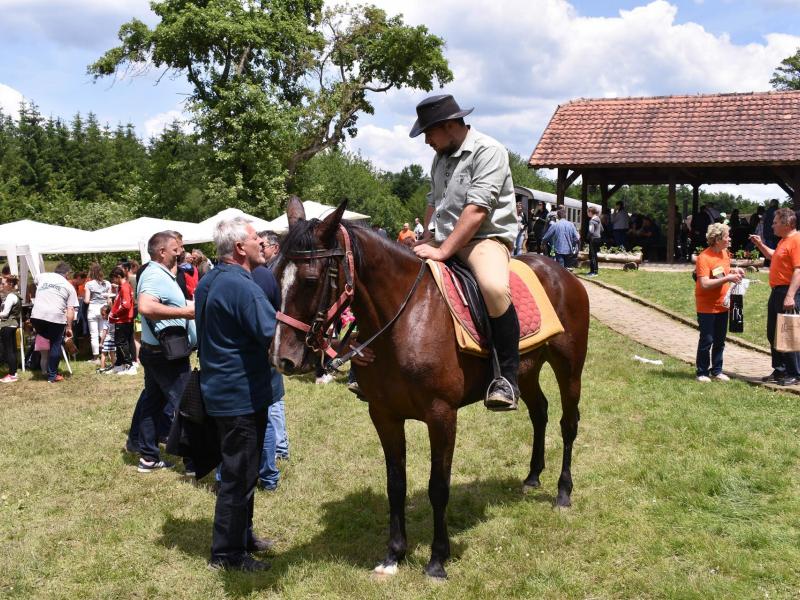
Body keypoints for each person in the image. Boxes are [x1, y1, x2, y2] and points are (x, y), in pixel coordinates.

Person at [409, 93, 520, 410]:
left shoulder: (489, 151)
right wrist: (427, 238)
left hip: (483, 240)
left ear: (446, 126)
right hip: (442, 239)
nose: (427, 140)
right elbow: (434, 202)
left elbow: (476, 211)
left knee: (493, 288)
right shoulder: (440, 156)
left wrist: (442, 251)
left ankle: (507, 379)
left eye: (428, 132)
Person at [195, 217, 276, 572]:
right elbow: (269, 331)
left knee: (242, 473)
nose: (262, 242)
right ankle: (227, 555)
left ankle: (242, 536)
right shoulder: (243, 287)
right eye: (257, 237)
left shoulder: (210, 280)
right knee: (238, 476)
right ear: (241, 247)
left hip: (222, 390)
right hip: (240, 395)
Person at [136, 231, 196, 472]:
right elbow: (145, 306)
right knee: (187, 405)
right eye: (176, 248)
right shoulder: (153, 274)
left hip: (157, 352)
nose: (180, 252)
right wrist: (186, 313)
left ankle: (148, 457)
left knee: (152, 404)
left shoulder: (160, 274)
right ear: (162, 252)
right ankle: (193, 462)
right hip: (165, 356)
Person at [253, 230, 289, 491]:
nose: (261, 247)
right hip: (266, 345)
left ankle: (279, 450)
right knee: (273, 402)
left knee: (272, 403)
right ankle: (279, 449)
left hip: (264, 345)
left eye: (263, 243)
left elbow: (276, 311)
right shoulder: (267, 271)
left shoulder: (267, 273)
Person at [750, 208, 800, 386]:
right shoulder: (784, 241)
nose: (772, 225)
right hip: (777, 291)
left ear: (787, 224)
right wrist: (760, 244)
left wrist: (790, 296)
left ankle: (795, 373)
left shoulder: (796, 240)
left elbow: (798, 270)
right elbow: (774, 256)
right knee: (774, 332)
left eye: (775, 222)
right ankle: (780, 370)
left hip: (788, 291)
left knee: (789, 332)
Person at [694, 223, 743, 383]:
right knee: (707, 340)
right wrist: (728, 278)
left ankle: (717, 370)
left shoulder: (724, 253)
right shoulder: (704, 257)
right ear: (717, 239)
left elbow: (723, 272)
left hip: (723, 304)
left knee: (720, 341)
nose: (730, 238)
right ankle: (702, 372)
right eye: (727, 236)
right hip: (706, 306)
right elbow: (705, 284)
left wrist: (734, 272)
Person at [30, 262, 78, 383]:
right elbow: (70, 310)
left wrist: (34, 296)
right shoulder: (69, 286)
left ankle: (42, 365)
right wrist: (69, 327)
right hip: (55, 318)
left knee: (51, 338)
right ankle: (52, 376)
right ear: (67, 274)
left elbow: (33, 284)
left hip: (36, 317)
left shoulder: (42, 276)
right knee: (55, 344)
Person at [108, 266, 137, 375]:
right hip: (124, 319)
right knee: (121, 342)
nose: (113, 281)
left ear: (118, 276)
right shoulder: (125, 286)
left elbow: (126, 305)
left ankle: (129, 365)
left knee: (121, 342)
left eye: (113, 279)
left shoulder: (125, 287)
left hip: (122, 319)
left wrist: (114, 313)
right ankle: (119, 365)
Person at [84, 263, 111, 364]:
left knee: (94, 334)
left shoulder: (89, 284)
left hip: (93, 309)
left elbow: (86, 301)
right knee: (103, 332)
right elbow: (109, 300)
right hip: (104, 308)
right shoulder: (107, 283)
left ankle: (96, 357)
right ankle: (106, 353)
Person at [0, 275, 21, 383]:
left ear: (10, 284)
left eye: (3, 284)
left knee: (9, 351)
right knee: (12, 350)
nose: (2, 285)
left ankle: (12, 374)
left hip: (7, 325)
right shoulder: (14, 295)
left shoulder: (10, 297)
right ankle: (14, 373)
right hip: (12, 325)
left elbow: (4, 314)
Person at [586, 206, 603, 277]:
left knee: (592, 255)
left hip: (593, 239)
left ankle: (594, 272)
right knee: (594, 255)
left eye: (588, 212)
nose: (587, 213)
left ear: (590, 212)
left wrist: (587, 237)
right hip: (598, 238)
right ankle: (594, 271)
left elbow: (591, 231)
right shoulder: (598, 219)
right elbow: (602, 229)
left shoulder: (591, 221)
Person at [98, 304, 115, 372]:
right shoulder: (113, 321)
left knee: (103, 354)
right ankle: (114, 366)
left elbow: (104, 333)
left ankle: (102, 368)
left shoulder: (106, 322)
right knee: (112, 353)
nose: (102, 316)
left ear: (108, 314)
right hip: (113, 339)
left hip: (107, 340)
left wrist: (101, 342)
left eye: (103, 314)